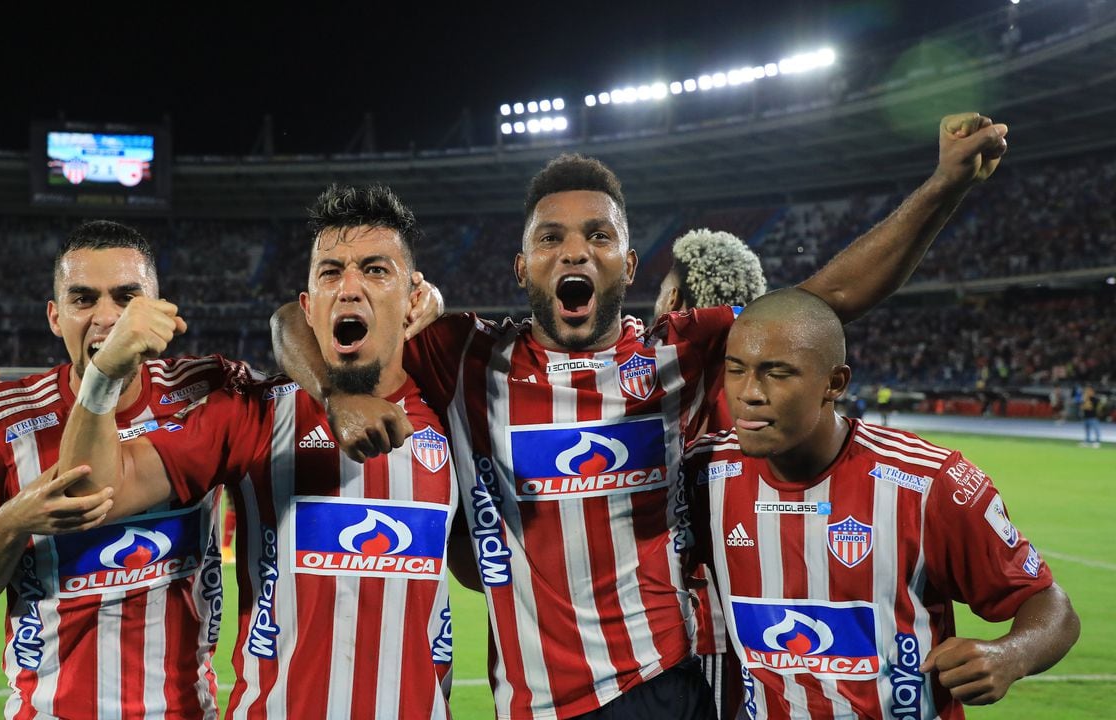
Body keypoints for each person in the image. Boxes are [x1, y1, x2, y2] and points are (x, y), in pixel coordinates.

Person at [274, 113, 1011, 719]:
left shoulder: (684, 353)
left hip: (659, 686)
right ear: (521, 267)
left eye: (599, 236)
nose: (576, 250)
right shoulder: (463, 354)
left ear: (630, 265)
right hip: (527, 699)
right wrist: (337, 397)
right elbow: (291, 321)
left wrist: (944, 186)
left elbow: (824, 303)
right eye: (551, 238)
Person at [57, 185, 458, 718]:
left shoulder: (454, 405)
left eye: (377, 270)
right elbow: (92, 490)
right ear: (309, 306)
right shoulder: (254, 413)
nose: (351, 288)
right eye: (331, 272)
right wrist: (105, 374)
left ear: (414, 300)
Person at [682, 288, 1080, 718]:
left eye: (776, 373)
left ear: (834, 383)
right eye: (736, 370)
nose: (748, 393)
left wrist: (1011, 655)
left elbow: (1048, 604)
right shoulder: (703, 475)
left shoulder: (927, 484)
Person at [0, 221, 229, 719]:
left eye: (126, 297)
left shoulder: (206, 392)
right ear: (55, 316)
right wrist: (11, 522)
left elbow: (292, 337)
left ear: (158, 307)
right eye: (84, 299)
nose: (107, 317)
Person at [654, 227, 767, 719]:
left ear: (675, 296)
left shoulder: (679, 374)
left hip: (704, 625)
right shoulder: (768, 382)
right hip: (765, 616)